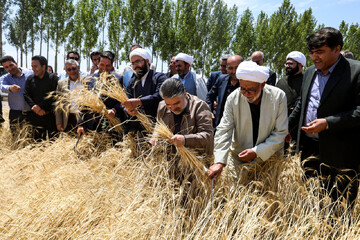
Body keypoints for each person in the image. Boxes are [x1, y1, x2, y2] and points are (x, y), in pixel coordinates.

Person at [288, 27, 360, 208]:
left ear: (337, 49)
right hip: (309, 150)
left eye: (320, 52)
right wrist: (284, 129)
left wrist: (328, 123)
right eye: (311, 52)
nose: (314, 57)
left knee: (339, 209)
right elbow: (301, 105)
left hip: (342, 153)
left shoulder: (356, 71)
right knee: (312, 204)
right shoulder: (310, 72)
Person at [208, 61, 288, 179]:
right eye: (243, 89)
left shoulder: (278, 96)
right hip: (239, 157)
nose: (246, 94)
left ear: (262, 85)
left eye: (251, 89)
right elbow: (224, 129)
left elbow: (281, 132)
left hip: (269, 157)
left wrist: (257, 151)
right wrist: (219, 161)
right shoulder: (233, 98)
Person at [155, 78, 214, 155]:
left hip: (195, 159)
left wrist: (185, 140)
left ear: (185, 94)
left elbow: (208, 136)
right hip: (170, 160)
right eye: (168, 104)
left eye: (176, 103)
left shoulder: (199, 106)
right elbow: (158, 126)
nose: (172, 108)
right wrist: (155, 137)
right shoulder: (162, 106)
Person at [77, 51, 125, 136]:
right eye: (102, 65)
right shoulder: (88, 80)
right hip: (91, 126)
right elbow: (82, 103)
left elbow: (123, 101)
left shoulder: (118, 79)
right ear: (97, 64)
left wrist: (114, 110)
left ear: (112, 65)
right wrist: (80, 124)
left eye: (108, 66)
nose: (104, 68)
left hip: (111, 126)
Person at [122, 48, 166, 128]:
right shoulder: (132, 81)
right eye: (133, 63)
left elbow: (159, 96)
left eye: (137, 62)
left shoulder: (160, 77)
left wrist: (139, 101)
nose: (135, 66)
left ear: (147, 61)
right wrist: (127, 110)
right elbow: (126, 100)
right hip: (136, 127)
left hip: (156, 126)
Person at [24, 56, 58, 140]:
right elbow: (26, 94)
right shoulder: (30, 79)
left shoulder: (53, 78)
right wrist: (34, 107)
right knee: (37, 142)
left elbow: (53, 94)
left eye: (35, 66)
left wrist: (40, 107)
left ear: (43, 66)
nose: (33, 69)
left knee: (52, 141)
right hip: (35, 116)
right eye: (32, 66)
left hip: (50, 116)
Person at [206, 55, 242, 128]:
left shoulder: (247, 83)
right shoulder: (221, 79)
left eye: (237, 68)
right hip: (221, 124)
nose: (234, 71)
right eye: (230, 68)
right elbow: (209, 96)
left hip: (239, 125)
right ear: (227, 68)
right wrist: (209, 111)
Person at [0, 56, 33, 130]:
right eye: (6, 67)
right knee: (16, 139)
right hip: (15, 114)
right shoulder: (5, 78)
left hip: (32, 113)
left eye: (11, 65)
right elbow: (2, 86)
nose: (10, 68)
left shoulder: (30, 73)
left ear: (16, 63)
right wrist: (10, 88)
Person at [55, 59, 84, 133]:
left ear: (79, 68)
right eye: (69, 69)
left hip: (83, 118)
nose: (72, 71)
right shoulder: (61, 83)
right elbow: (58, 104)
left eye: (74, 68)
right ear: (66, 71)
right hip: (67, 119)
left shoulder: (86, 81)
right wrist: (59, 122)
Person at [276, 51, 306, 115]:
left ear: (300, 64)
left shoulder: (306, 81)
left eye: (290, 64)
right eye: (286, 64)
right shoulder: (281, 82)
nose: (287, 66)